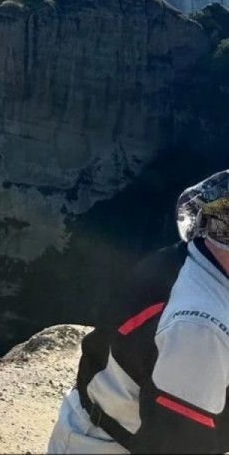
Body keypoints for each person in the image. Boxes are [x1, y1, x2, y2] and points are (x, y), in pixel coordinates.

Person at [48, 170, 229, 454]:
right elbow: (179, 446)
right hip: (106, 445)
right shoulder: (199, 328)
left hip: (102, 423)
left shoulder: (193, 258)